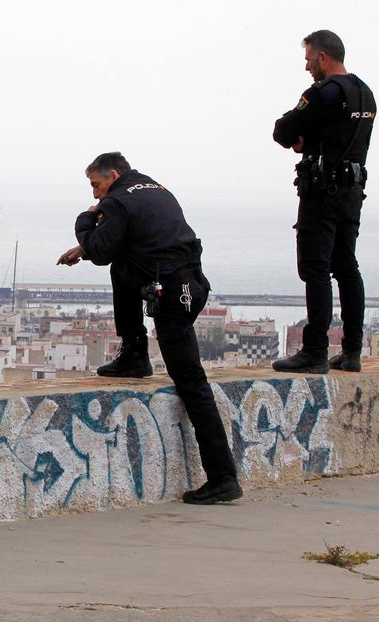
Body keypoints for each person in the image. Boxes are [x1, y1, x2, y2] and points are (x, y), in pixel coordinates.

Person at [57, 152, 241, 504]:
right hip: (193, 287)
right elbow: (124, 245)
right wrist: (85, 247)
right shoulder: (156, 189)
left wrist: (85, 220)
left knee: (193, 385)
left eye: (96, 185)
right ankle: (134, 354)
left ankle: (223, 477)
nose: (96, 194)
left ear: (112, 175)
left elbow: (101, 250)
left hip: (171, 294)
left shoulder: (116, 203)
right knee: (122, 268)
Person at [271, 30, 376, 374]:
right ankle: (352, 351)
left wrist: (303, 140)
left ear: (323, 57)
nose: (306, 66)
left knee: (315, 268)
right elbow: (340, 135)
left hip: (322, 193)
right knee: (346, 266)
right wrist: (314, 138)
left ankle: (314, 351)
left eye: (308, 59)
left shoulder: (324, 93)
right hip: (352, 193)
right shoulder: (365, 94)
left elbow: (283, 130)